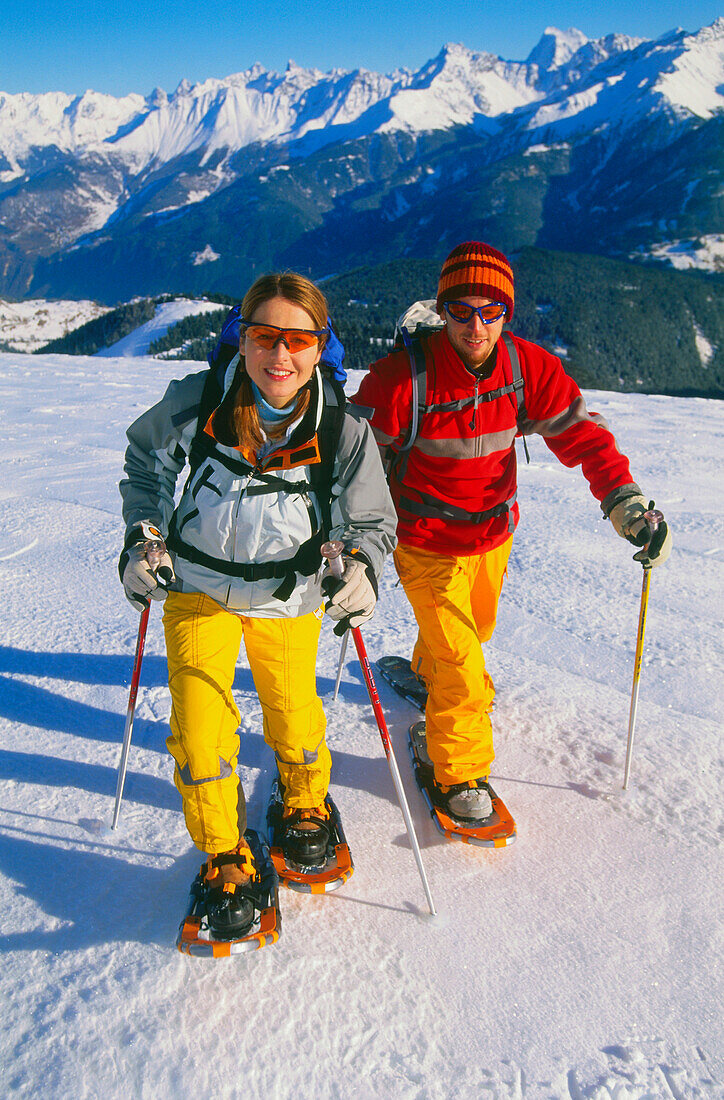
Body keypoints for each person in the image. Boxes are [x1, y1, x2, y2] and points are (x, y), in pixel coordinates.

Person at [351, 241, 672, 823]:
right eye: (461, 311)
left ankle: (431, 679)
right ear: (443, 310)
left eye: (490, 311)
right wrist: (348, 544)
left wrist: (624, 501)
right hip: (423, 541)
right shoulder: (401, 380)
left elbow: (583, 435)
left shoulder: (527, 368)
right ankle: (457, 771)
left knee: (473, 631)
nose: (476, 326)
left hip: (493, 535)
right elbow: (354, 465)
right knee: (466, 674)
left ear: (507, 312)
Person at [119, 271, 397, 936]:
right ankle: (224, 854)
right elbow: (149, 466)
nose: (281, 355)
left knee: (294, 713)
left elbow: (369, 522)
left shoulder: (341, 429)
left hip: (288, 596)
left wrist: (359, 568)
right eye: (264, 336)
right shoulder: (203, 400)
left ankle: (305, 803)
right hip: (196, 591)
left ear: (320, 345)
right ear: (241, 342)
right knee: (199, 732)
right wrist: (142, 539)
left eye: (297, 339)